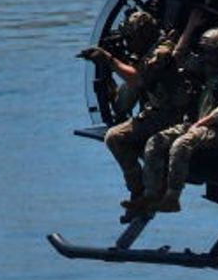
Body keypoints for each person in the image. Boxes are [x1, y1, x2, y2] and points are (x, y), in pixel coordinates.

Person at [78, 11, 196, 220]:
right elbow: (127, 95)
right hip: (156, 111)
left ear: (142, 35)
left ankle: (147, 194)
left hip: (173, 115)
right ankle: (139, 192)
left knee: (132, 141)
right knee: (116, 135)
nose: (129, 43)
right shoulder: (145, 52)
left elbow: (140, 79)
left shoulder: (161, 51)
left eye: (131, 38)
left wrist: (110, 59)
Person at [140, 27, 218, 214]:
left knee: (181, 144)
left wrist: (202, 122)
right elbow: (179, 58)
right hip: (200, 126)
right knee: (155, 141)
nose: (206, 56)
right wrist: (190, 27)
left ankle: (172, 198)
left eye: (210, 51)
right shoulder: (210, 67)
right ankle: (151, 195)